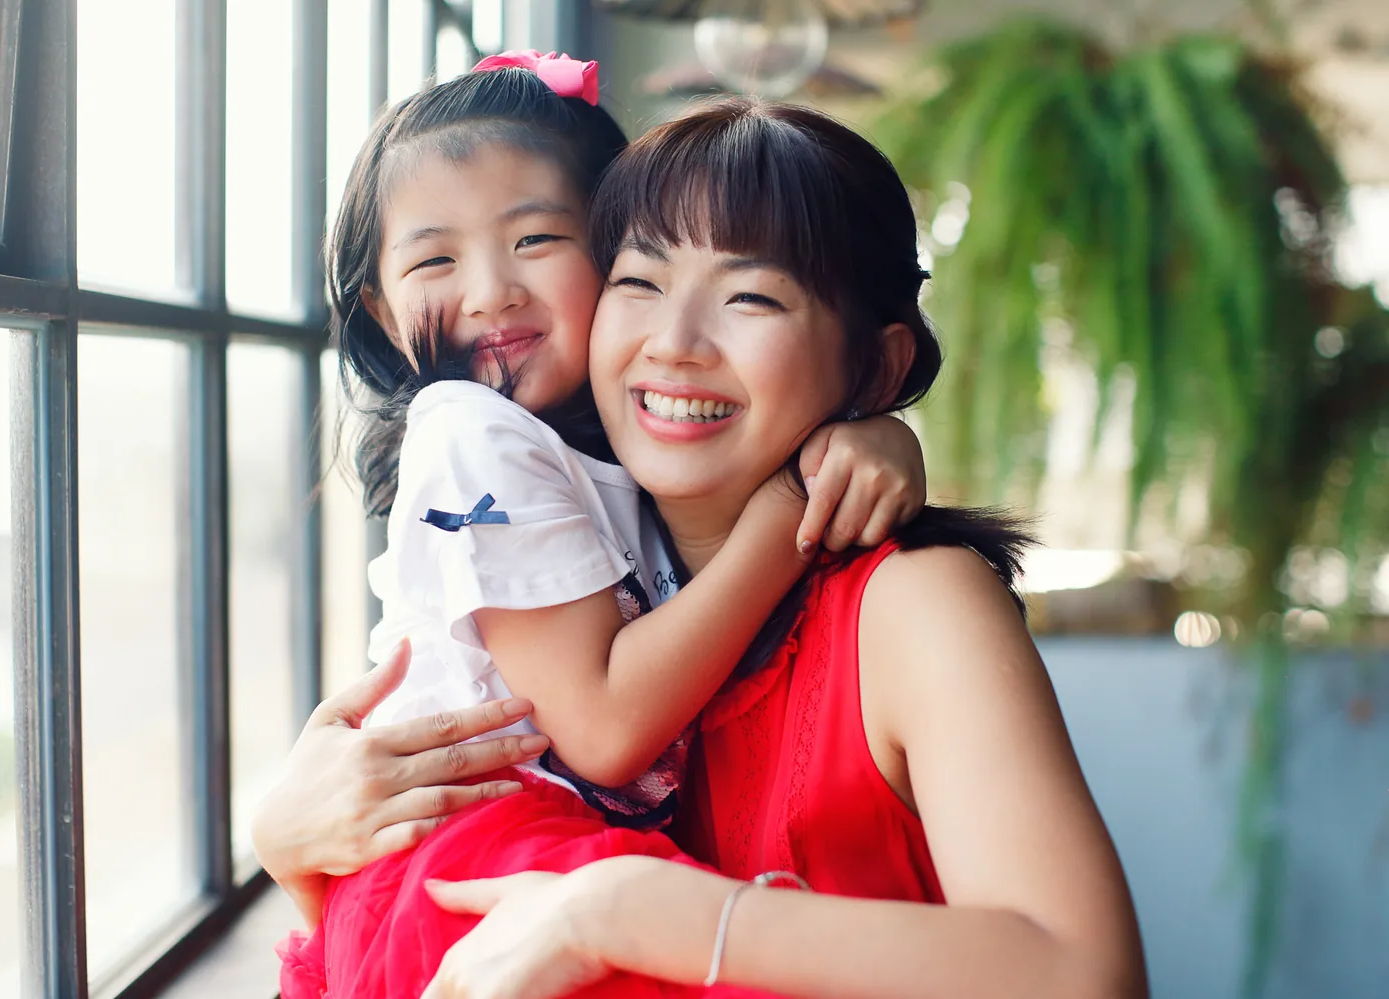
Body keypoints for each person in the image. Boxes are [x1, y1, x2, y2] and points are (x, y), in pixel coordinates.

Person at [393, 98, 1149, 998]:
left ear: (874, 366)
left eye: (750, 297)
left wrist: (629, 911)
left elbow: (1085, 976)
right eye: (639, 282)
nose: (673, 346)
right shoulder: (594, 604)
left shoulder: (917, 604)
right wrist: (291, 849)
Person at [269, 53, 932, 999]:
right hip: (479, 853)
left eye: (536, 240)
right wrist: (795, 500)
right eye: (434, 260)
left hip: (519, 850)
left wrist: (872, 431)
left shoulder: (612, 456)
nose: (492, 289)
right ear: (379, 305)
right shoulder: (471, 433)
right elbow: (607, 728)